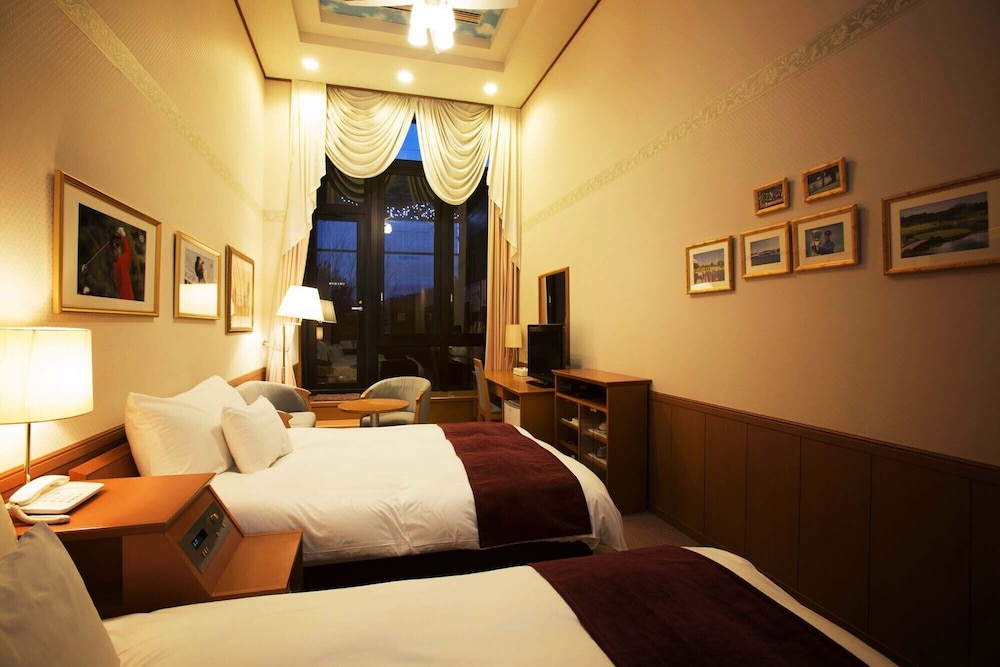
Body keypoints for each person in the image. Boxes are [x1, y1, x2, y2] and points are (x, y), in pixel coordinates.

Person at [111, 227, 135, 300]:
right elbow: (128, 251)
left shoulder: (116, 265)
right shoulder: (121, 263)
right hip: (128, 299)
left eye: (118, 247)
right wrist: (123, 236)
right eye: (115, 249)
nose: (117, 251)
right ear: (113, 252)